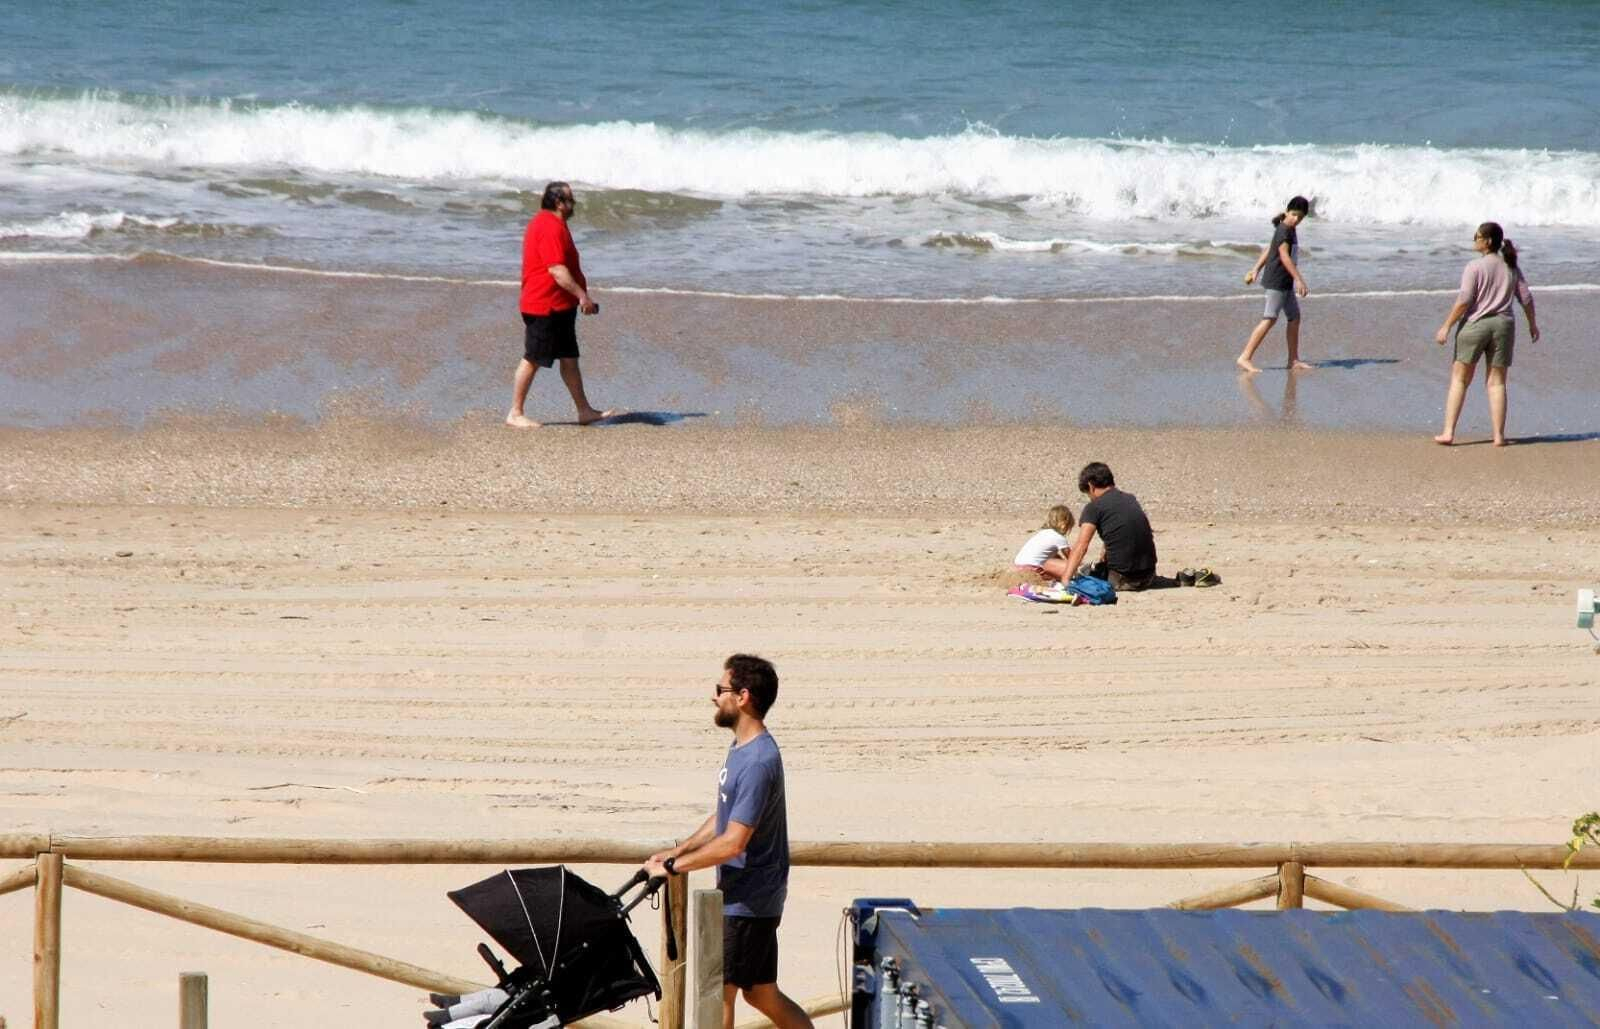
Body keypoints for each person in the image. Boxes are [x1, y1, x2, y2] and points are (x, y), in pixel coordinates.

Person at [645, 655, 813, 1029]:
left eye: (720, 690)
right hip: (751, 896)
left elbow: (734, 842)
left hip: (748, 901)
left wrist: (673, 868)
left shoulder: (757, 761)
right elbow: (725, 816)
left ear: (742, 697)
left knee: (720, 992)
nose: (714, 697)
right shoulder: (742, 750)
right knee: (761, 993)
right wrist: (679, 850)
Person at [506, 181, 616, 428]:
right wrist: (582, 296)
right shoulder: (548, 226)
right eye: (570, 199)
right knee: (533, 358)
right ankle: (515, 412)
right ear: (559, 202)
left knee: (569, 358)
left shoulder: (555, 224)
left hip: (559, 305)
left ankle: (584, 411)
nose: (573, 203)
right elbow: (557, 270)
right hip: (544, 305)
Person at [1432, 222, 1539, 447]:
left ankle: (1449, 432)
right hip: (1503, 326)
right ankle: (1499, 436)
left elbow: (1464, 301)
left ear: (1487, 241)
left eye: (1476, 236)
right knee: (1497, 383)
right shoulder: (1511, 266)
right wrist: (1532, 324)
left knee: (1460, 379)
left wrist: (1446, 326)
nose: (1474, 240)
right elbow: (1526, 298)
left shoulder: (1475, 267)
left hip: (1475, 325)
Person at [1237, 195, 1314, 374]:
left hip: (1285, 282)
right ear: (1287, 211)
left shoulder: (1288, 228)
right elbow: (1284, 256)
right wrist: (1299, 279)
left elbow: (1269, 249)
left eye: (1300, 217)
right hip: (1277, 281)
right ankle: (1245, 357)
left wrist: (1255, 269)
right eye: (1294, 214)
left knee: (1294, 318)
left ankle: (1293, 360)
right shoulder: (1283, 230)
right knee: (1270, 318)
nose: (1296, 219)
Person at [1059, 462, 1157, 591]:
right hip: (1149, 576)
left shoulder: (1094, 507)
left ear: (1091, 485)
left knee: (1082, 571)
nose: (1090, 498)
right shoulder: (1130, 499)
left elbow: (1081, 546)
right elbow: (1125, 530)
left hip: (1124, 580)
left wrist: (1065, 579)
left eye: (1088, 494)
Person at [1013, 505, 1077, 581]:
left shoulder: (1043, 533)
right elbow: (1072, 559)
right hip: (1032, 569)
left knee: (1052, 563)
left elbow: (1052, 555)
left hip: (1017, 566)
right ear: (1064, 524)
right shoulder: (1059, 538)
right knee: (1068, 571)